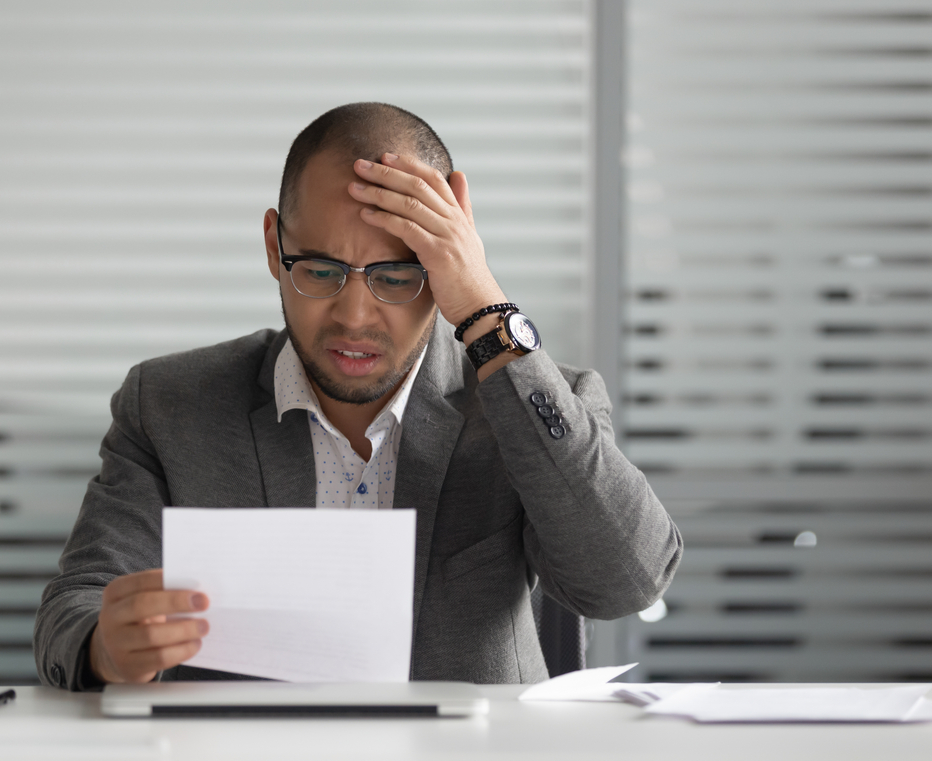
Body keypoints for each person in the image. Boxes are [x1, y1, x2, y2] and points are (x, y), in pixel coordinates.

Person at [34, 102, 682, 690]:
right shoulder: (171, 405)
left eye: (397, 275)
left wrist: (487, 312)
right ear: (273, 246)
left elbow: (625, 580)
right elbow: (75, 609)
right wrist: (105, 648)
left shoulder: (531, 399)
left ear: (445, 262)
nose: (354, 315)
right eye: (319, 270)